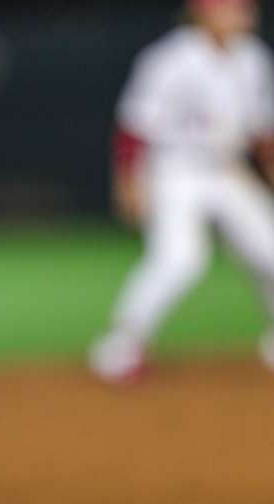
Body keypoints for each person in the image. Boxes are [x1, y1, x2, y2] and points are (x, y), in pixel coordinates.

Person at [89, 0, 274, 382]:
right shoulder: (170, 58)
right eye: (233, 9)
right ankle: (121, 346)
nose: (244, 15)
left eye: (244, 9)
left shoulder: (253, 58)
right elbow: (133, 126)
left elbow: (261, 133)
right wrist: (129, 182)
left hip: (227, 168)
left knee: (269, 249)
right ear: (204, 13)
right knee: (180, 259)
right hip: (175, 168)